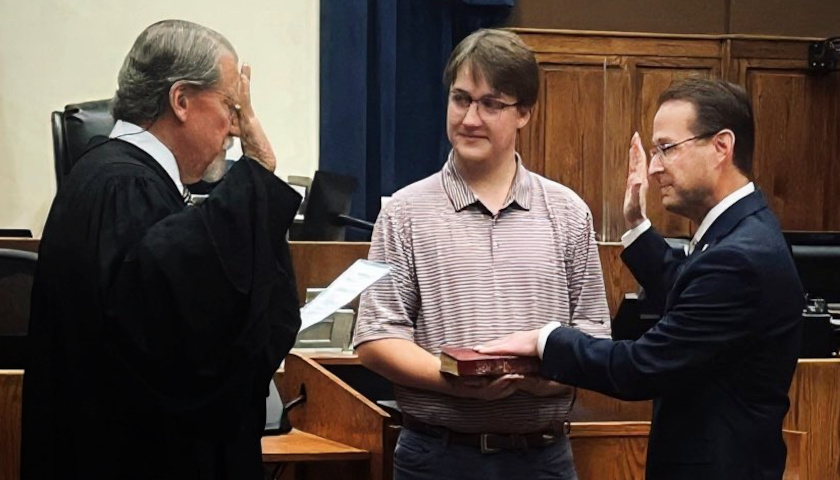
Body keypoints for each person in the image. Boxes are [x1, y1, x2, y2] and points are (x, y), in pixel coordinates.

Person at [478, 78, 805, 479]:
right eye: (654, 152)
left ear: (722, 146)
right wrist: (636, 226)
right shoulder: (744, 232)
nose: (654, 168)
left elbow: (641, 367)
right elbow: (692, 300)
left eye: (667, 148)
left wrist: (546, 339)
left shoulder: (739, 257)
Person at [21, 20, 302, 480]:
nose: (235, 128)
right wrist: (258, 172)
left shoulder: (104, 176)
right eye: (230, 106)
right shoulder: (125, 188)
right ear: (181, 100)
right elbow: (184, 336)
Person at [353, 29, 610, 480]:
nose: (470, 118)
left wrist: (542, 378)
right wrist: (454, 382)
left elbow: (594, 338)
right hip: (437, 456)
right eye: (461, 99)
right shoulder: (403, 213)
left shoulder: (569, 212)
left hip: (542, 459)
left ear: (524, 113)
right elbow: (375, 339)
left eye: (491, 104)